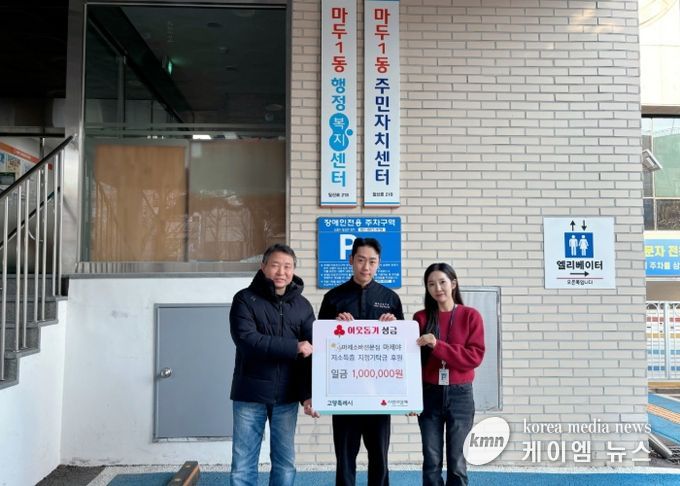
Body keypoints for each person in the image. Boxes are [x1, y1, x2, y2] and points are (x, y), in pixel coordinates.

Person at [314, 237, 404, 486]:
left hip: (379, 392)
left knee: (379, 457)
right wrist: (334, 328)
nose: (366, 267)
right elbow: (320, 346)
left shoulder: (390, 298)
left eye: (372, 261)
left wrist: (394, 326)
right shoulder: (334, 298)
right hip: (344, 392)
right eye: (361, 260)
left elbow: (401, 348)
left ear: (379, 264)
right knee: (344, 457)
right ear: (351, 260)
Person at [229, 243, 315, 486]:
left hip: (287, 396)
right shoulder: (244, 299)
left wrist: (308, 394)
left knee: (285, 463)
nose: (281, 272)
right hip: (250, 393)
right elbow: (247, 340)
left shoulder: (302, 306)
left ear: (293, 270)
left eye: (287, 266)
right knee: (243, 464)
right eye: (275, 265)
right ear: (263, 266)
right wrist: (294, 347)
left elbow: (312, 352)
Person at [414, 263, 485, 486]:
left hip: (460, 395)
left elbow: (474, 357)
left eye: (442, 282)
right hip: (429, 394)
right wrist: (410, 397)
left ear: (453, 284)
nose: (437, 288)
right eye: (431, 284)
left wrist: (437, 345)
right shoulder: (421, 318)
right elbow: (411, 361)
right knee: (431, 460)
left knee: (457, 462)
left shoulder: (470, 316)